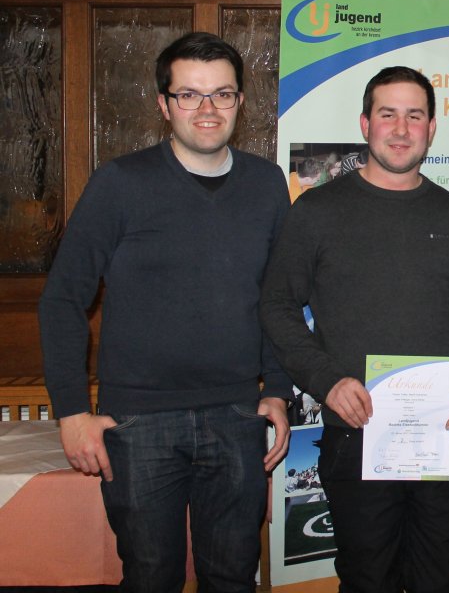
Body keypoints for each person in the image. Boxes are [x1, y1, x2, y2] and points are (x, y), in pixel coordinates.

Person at [38, 31, 292, 593]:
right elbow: (62, 299)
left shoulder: (267, 184)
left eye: (221, 93)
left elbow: (276, 297)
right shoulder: (120, 183)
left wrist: (277, 389)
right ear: (163, 104)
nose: (207, 108)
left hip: (236, 415)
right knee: (151, 577)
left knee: (233, 577)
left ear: (240, 101)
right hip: (138, 423)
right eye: (189, 94)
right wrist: (72, 412)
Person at [259, 66, 449, 593]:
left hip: (443, 434)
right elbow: (276, 305)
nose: (402, 129)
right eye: (388, 114)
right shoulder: (316, 211)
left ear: (432, 128)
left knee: (440, 578)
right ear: (365, 124)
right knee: (368, 579)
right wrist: (326, 382)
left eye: (415, 116)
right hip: (356, 433)